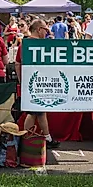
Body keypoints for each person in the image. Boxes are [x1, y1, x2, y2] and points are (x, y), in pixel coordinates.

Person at [16, 19, 60, 148]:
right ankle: (26, 138)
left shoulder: (24, 44)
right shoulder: (37, 44)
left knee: (40, 111)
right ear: (39, 29)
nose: (47, 32)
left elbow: (18, 62)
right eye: (46, 30)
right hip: (37, 82)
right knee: (33, 111)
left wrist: (21, 80)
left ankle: (46, 137)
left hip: (36, 81)